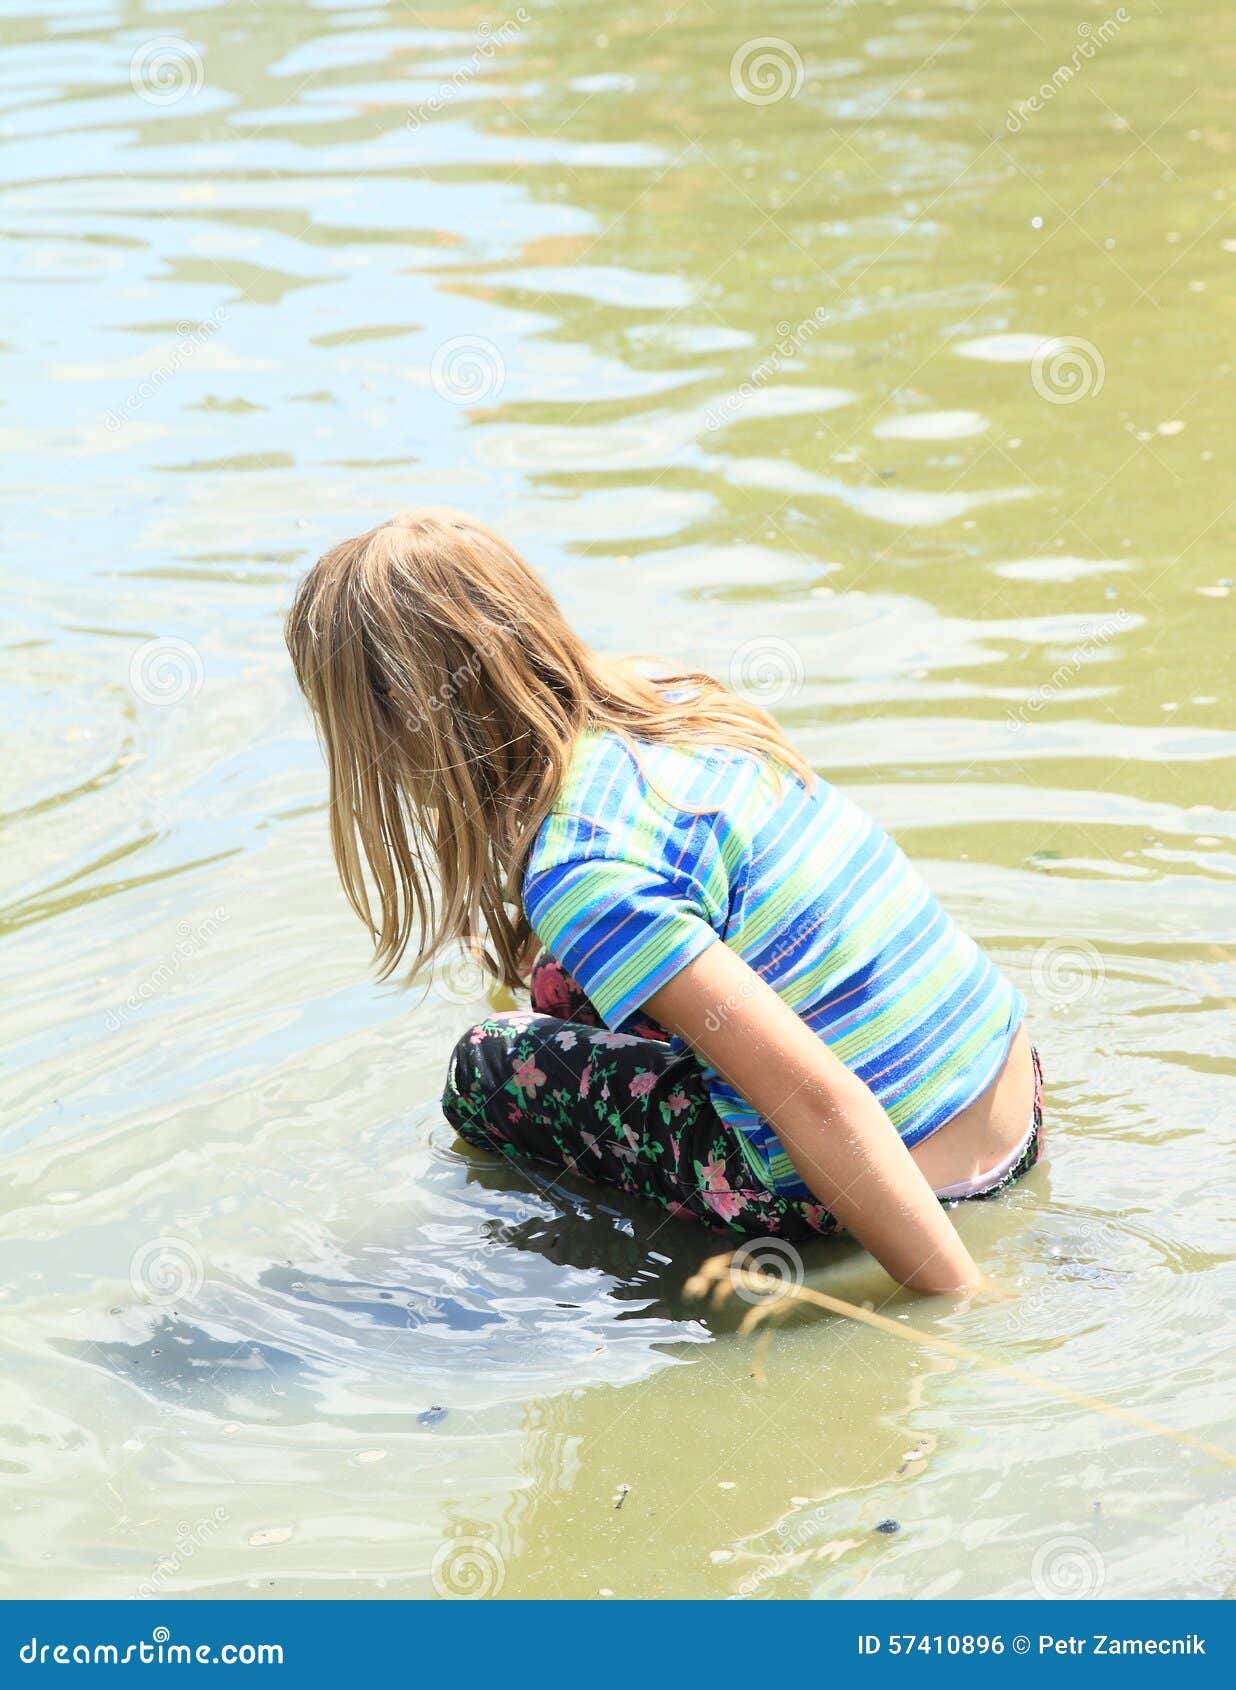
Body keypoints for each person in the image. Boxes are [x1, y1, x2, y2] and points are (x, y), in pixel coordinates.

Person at [285, 508, 1042, 1294]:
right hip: (1009, 1095)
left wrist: (959, 1297)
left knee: (491, 1068)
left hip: (901, 1175)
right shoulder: (672, 701)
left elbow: (818, 1099)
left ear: (396, 724)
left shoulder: (582, 869)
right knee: (561, 987)